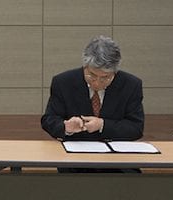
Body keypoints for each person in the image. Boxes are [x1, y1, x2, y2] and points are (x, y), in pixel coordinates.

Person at [41, 35, 144, 172]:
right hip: (76, 162)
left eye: (106, 77)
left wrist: (103, 125)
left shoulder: (131, 85)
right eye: (92, 75)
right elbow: (49, 120)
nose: (97, 82)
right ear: (85, 66)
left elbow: (136, 128)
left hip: (118, 162)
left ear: (115, 71)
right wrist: (66, 126)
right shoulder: (63, 82)